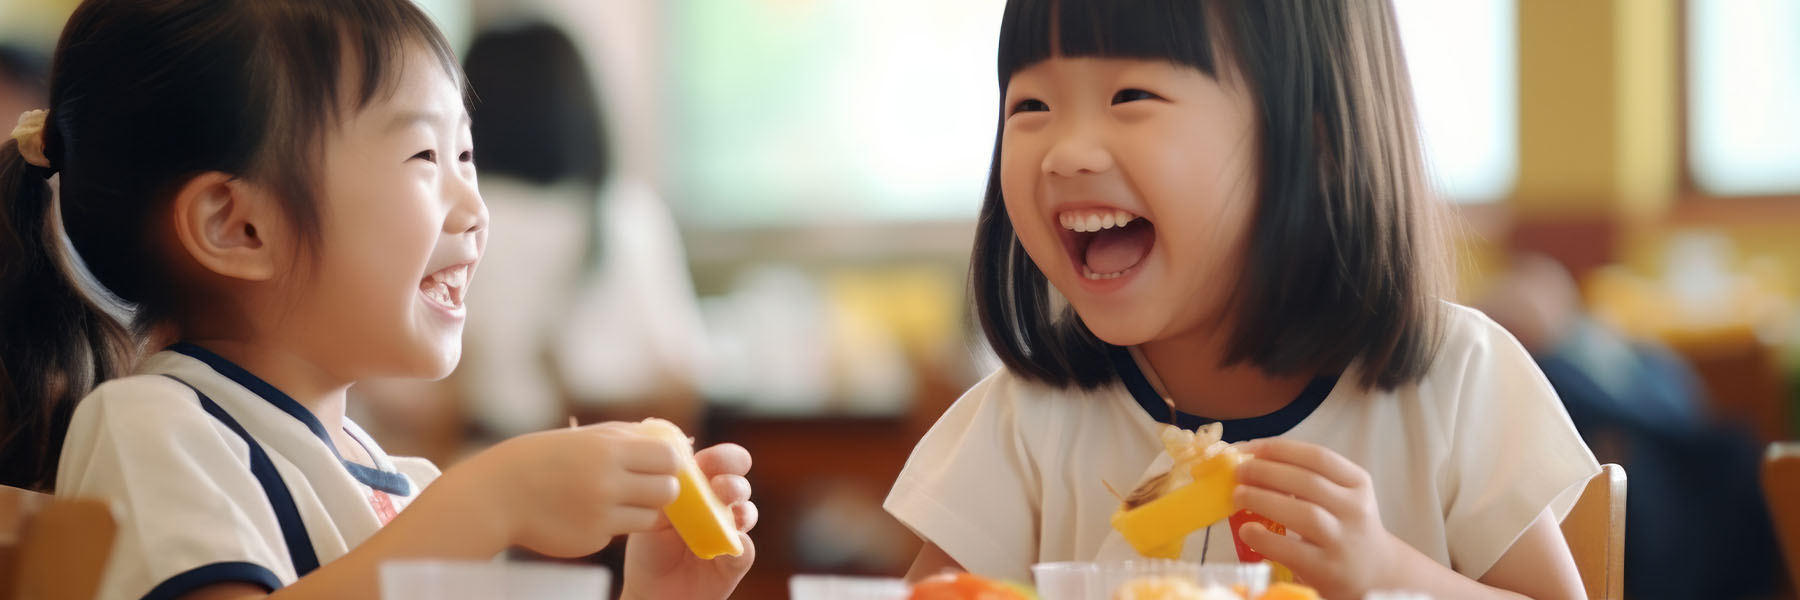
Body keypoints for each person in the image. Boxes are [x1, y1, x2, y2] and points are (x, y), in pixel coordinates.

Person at [0, 1, 754, 598]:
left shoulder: (402, 485)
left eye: (467, 155)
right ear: (239, 225)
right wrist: (488, 500)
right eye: (426, 156)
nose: (476, 208)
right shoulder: (153, 427)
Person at [885, 2, 1597, 598]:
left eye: (1130, 97)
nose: (1066, 152)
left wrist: (1389, 572)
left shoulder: (1456, 384)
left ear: (1314, 135)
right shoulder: (1025, 420)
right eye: (1030, 104)